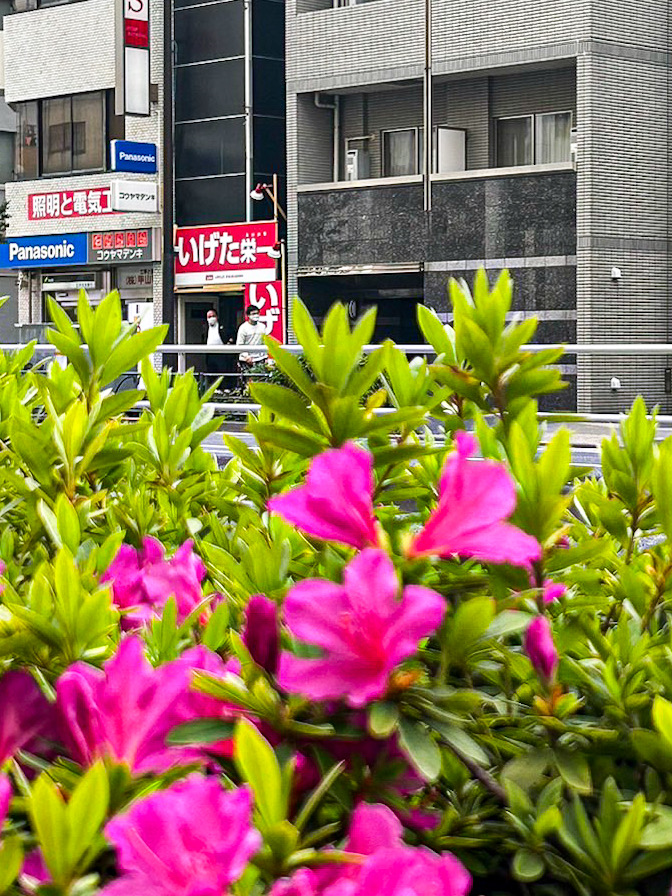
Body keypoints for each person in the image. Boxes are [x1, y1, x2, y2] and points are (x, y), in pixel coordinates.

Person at [205, 309, 226, 375]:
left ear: (217, 317)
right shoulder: (205, 327)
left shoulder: (223, 326)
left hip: (221, 354)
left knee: (222, 374)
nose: (211, 318)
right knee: (211, 374)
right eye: (209, 317)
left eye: (213, 316)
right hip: (210, 354)